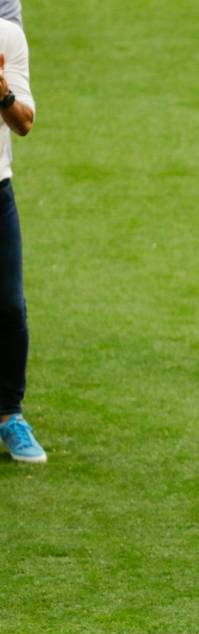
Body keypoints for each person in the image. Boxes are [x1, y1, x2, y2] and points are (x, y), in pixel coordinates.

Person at [0, 15, 42, 464]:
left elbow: (24, 123)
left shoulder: (8, 36)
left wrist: (1, 90)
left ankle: (10, 415)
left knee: (10, 306)